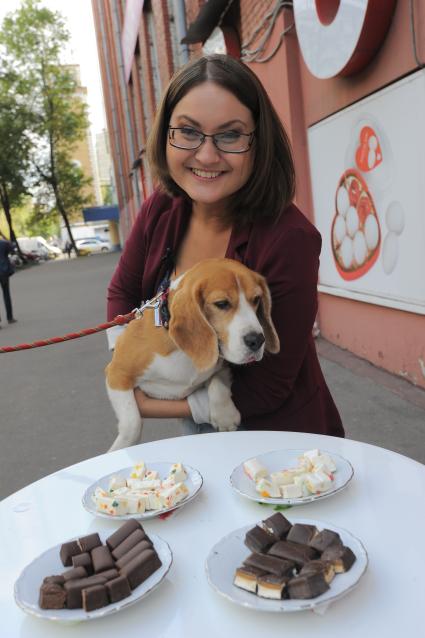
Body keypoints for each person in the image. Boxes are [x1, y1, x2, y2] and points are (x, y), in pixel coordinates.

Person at [107, 54, 344, 438]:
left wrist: (149, 403)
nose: (206, 155)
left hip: (281, 439)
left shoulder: (290, 240)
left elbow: (269, 386)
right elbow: (123, 292)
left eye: (231, 135)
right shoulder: (162, 208)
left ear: (258, 142)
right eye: (188, 131)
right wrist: (125, 357)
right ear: (166, 134)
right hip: (199, 420)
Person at [0, 235, 17, 327]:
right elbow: (12, 249)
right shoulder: (4, 243)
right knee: (6, 294)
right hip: (3, 271)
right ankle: (10, 318)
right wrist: (4, 237)